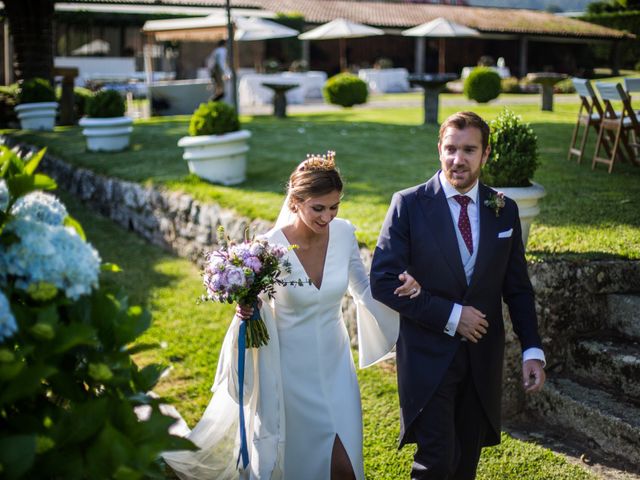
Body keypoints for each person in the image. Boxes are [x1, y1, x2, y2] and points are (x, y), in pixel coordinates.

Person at [163, 152, 415, 480]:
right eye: (318, 208)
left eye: (334, 206)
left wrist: (402, 292)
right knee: (304, 463)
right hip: (291, 370)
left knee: (346, 464)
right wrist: (247, 310)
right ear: (295, 202)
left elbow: (364, 290)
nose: (327, 217)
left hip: (337, 364)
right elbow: (258, 307)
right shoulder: (268, 248)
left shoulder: (344, 233)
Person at [369, 111, 546, 480]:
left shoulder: (504, 210)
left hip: (482, 356)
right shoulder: (409, 205)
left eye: (468, 150)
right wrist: (452, 316)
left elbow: (517, 288)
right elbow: (383, 281)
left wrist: (532, 349)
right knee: (436, 460)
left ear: (485, 154)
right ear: (439, 149)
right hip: (428, 356)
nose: (457, 159)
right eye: (450, 148)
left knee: (466, 460)